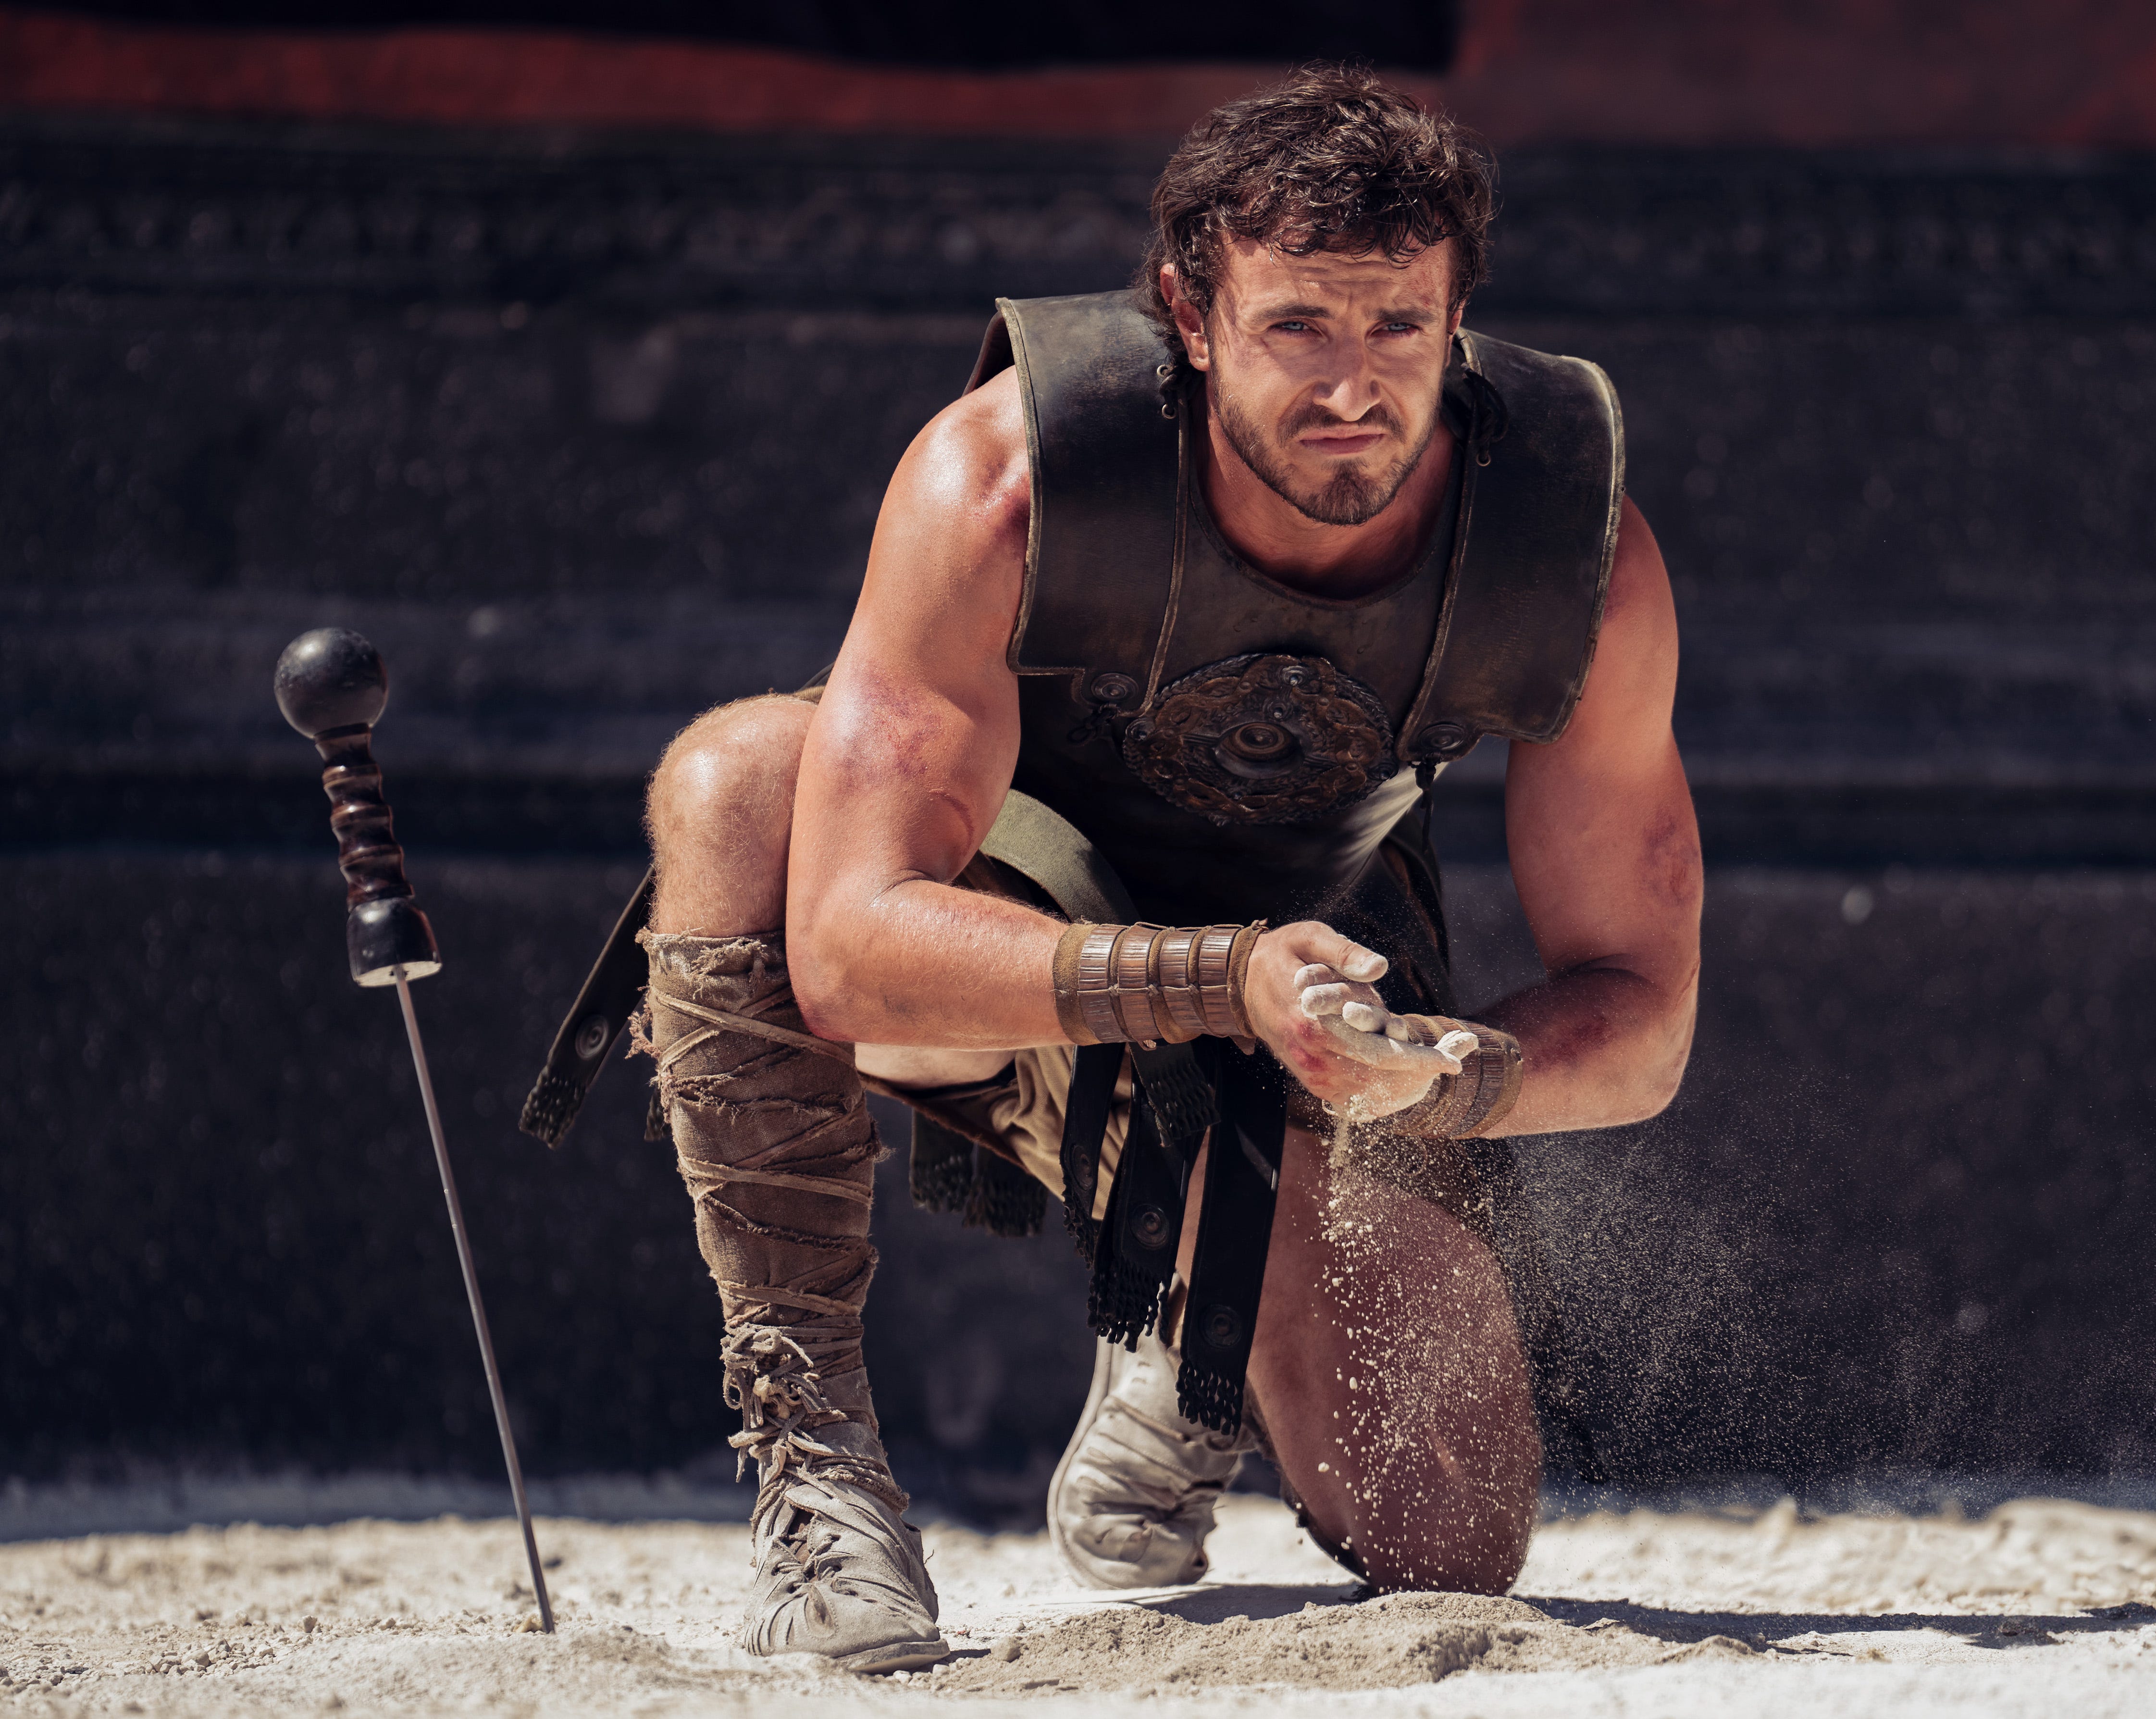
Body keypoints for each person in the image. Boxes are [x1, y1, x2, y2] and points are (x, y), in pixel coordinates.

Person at [629, 64, 1700, 1671]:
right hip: (998, 966)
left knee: (1450, 1529)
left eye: (1400, 328)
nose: (1356, 387)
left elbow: (1644, 1021)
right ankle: (822, 1481)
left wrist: (1442, 1075)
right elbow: (848, 949)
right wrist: (1220, 980)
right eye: (1297, 330)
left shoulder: (1572, 553)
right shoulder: (1001, 481)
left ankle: (1187, 1272)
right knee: (738, 786)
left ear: (1460, 318)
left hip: (1322, 1027)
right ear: (1188, 316)